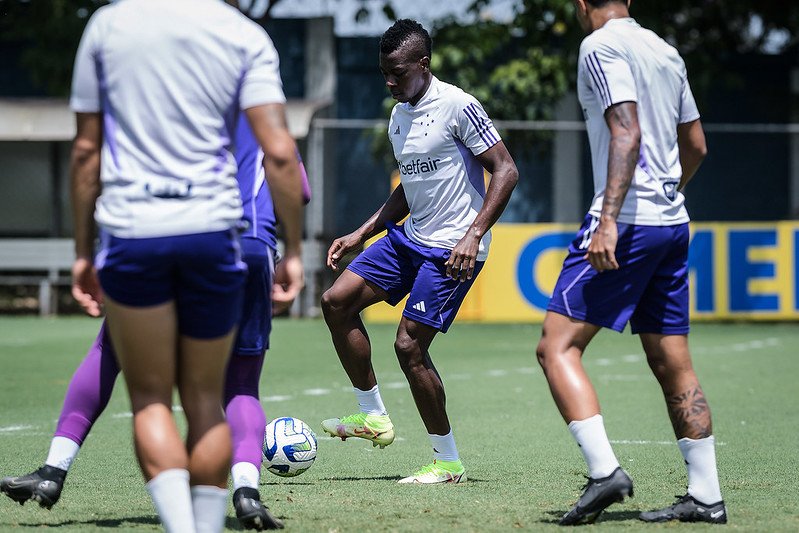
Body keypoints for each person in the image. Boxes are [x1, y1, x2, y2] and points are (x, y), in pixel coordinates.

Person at [66, 1, 305, 531]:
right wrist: (292, 250)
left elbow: (85, 152)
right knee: (206, 399)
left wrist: (82, 250)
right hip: (213, 233)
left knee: (151, 400)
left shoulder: (107, 26)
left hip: (133, 232)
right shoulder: (243, 34)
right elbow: (280, 152)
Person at [0, 121, 308, 532]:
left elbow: (96, 158)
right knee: (239, 385)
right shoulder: (257, 110)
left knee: (112, 354)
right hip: (249, 243)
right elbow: (296, 184)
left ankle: (54, 468)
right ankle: (246, 492)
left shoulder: (177, 108)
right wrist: (293, 249)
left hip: (169, 234)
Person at [535, 0, 726, 525]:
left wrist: (610, 220)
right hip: (671, 222)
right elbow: (696, 145)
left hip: (628, 222)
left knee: (556, 347)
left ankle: (604, 473)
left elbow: (626, 131)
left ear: (582, 4)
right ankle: (706, 496)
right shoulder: (665, 51)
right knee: (672, 361)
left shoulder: (599, 45)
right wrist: (667, 193)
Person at [319, 19, 518, 484]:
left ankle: (447, 463)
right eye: (384, 73)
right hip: (410, 238)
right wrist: (362, 233)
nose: (389, 82)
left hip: (452, 249)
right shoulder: (398, 117)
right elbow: (408, 190)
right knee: (336, 302)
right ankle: (373, 416)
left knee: (409, 346)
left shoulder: (458, 105)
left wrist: (473, 234)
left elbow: (506, 170)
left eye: (398, 73)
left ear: (423, 65)